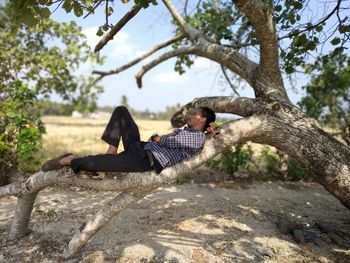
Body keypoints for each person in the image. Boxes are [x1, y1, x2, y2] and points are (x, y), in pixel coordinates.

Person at [41, 106, 216, 175]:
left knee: (95, 163)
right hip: (141, 148)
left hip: (144, 160)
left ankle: (69, 160)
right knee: (121, 112)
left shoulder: (198, 137)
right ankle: (112, 150)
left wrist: (158, 138)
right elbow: (165, 140)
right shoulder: (189, 131)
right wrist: (156, 139)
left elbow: (170, 142)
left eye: (196, 113)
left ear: (203, 120)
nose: (192, 114)